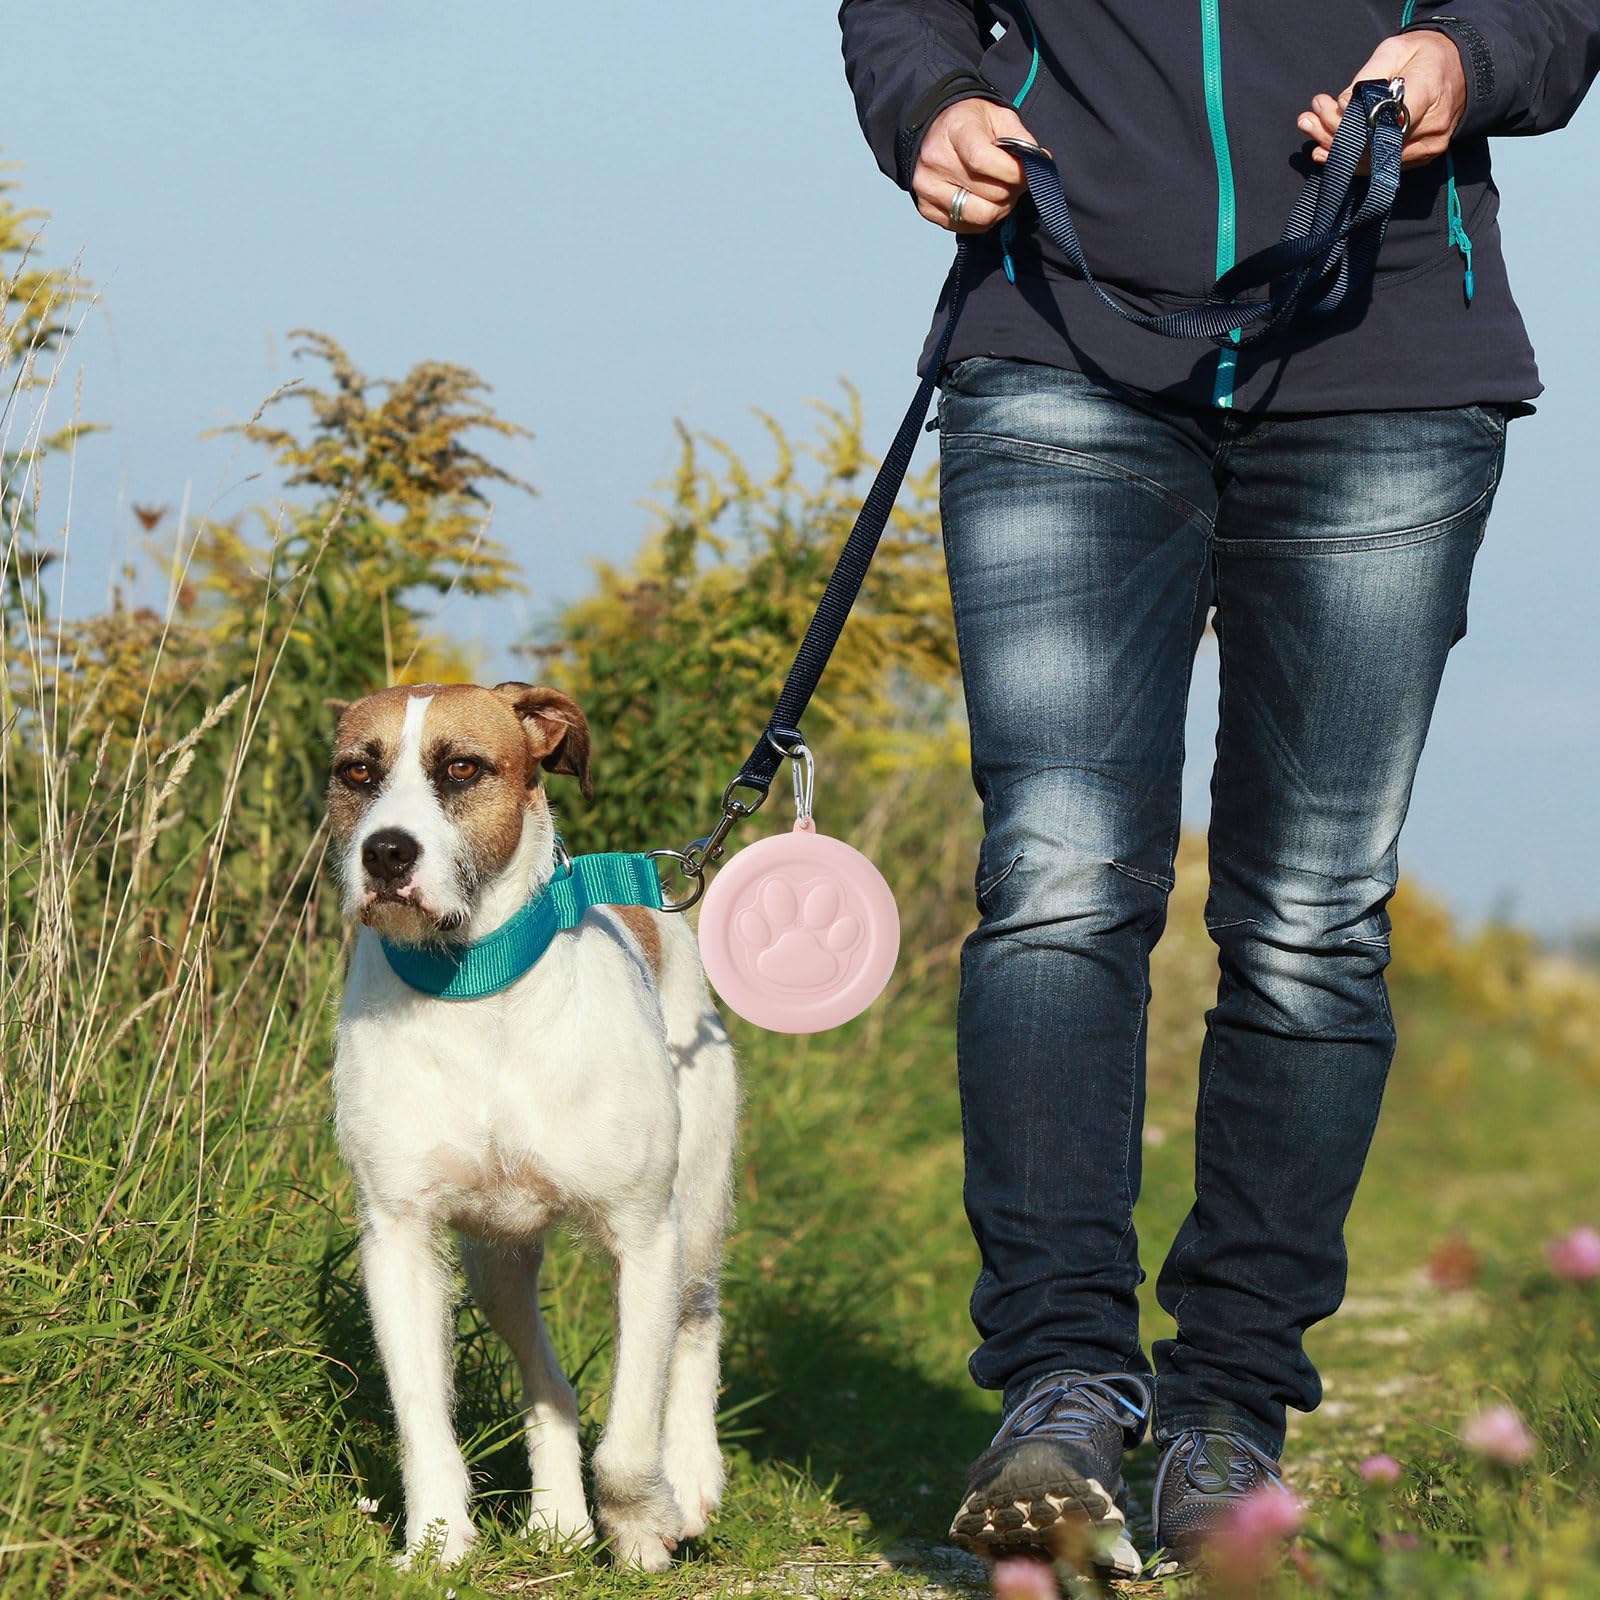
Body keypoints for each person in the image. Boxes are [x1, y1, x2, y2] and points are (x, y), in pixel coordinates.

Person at [838, 0, 1599, 1579]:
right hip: (1057, 330)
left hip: (1388, 353)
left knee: (1313, 918)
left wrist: (1467, 60)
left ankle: (1228, 1413)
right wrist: (930, 101)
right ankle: (1060, 1390)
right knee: (1056, 880)